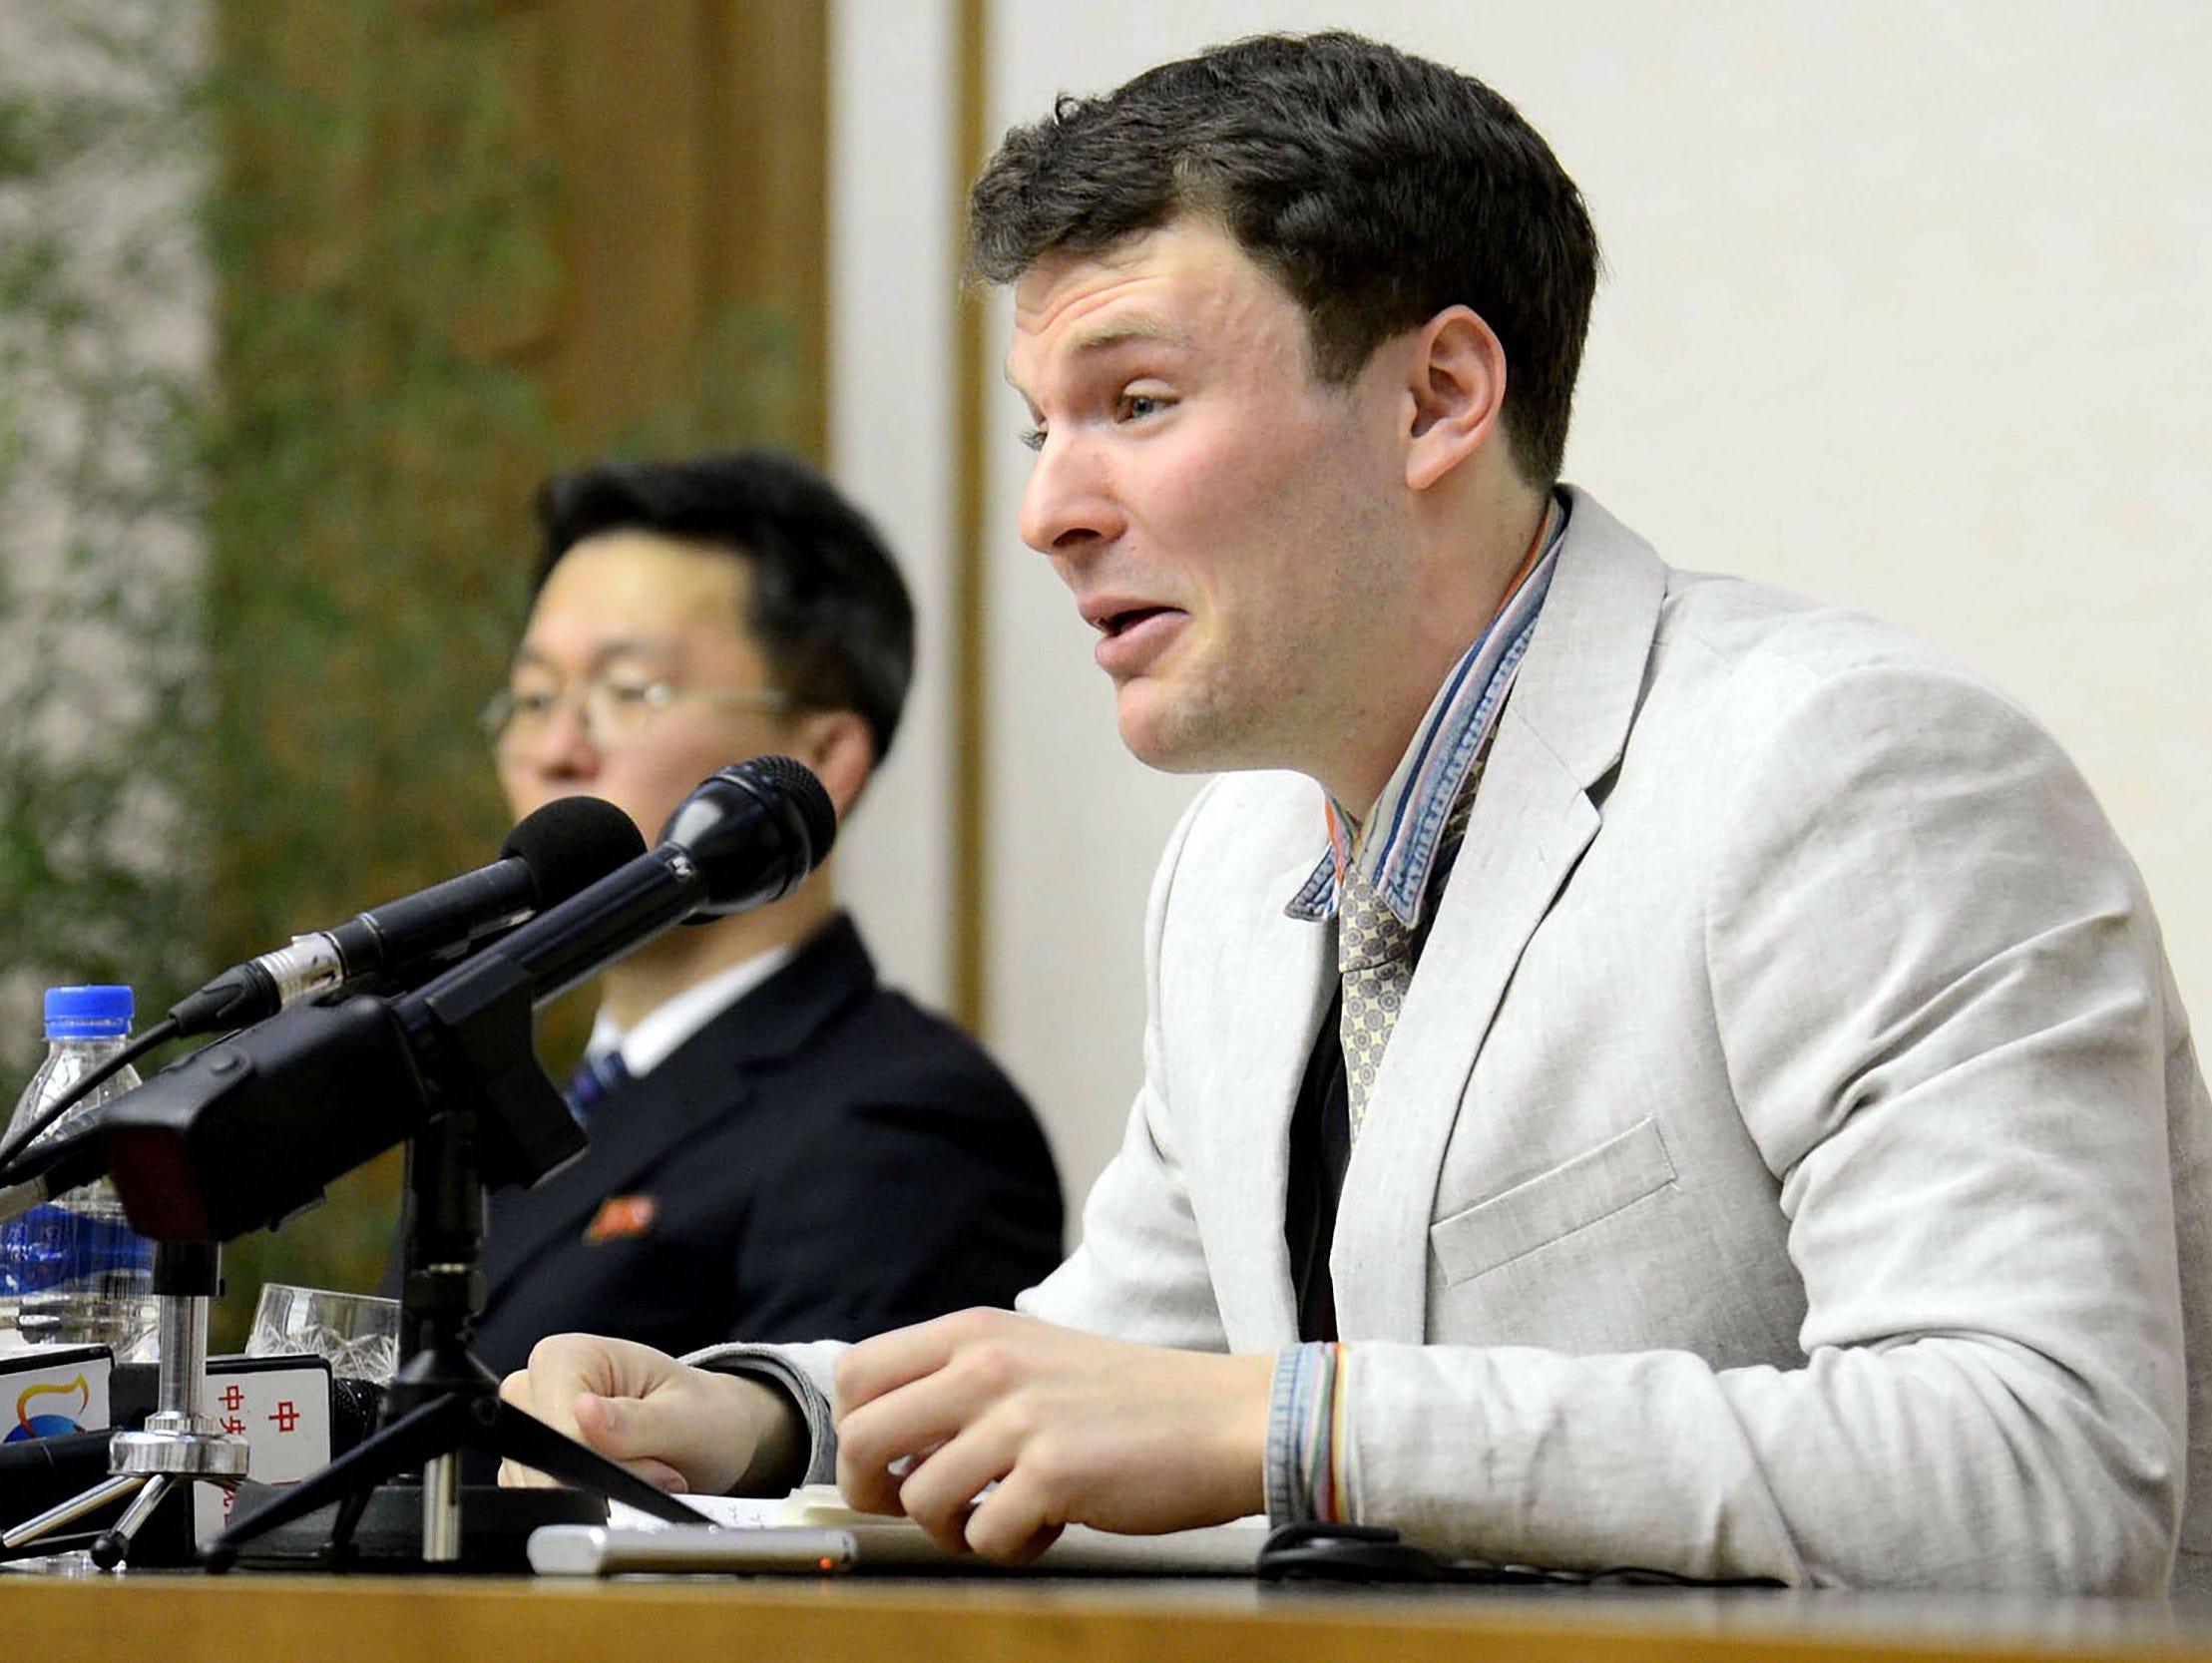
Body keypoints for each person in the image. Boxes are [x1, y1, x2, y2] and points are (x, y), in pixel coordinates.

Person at [498, 36, 2212, 1590]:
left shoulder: (1846, 768)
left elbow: (2043, 1461)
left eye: (1136, 404)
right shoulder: (1243, 859)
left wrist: (1300, 1426)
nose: (1045, 512)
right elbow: (1112, 1371)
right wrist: (757, 1421)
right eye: (1040, 429)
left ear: (1437, 398)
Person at [449, 449, 1063, 1378]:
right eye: (535, 697)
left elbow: (834, 1503)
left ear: (819, 757)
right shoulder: (509, 1111)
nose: (554, 751)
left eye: (628, 692)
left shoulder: (905, 1124)